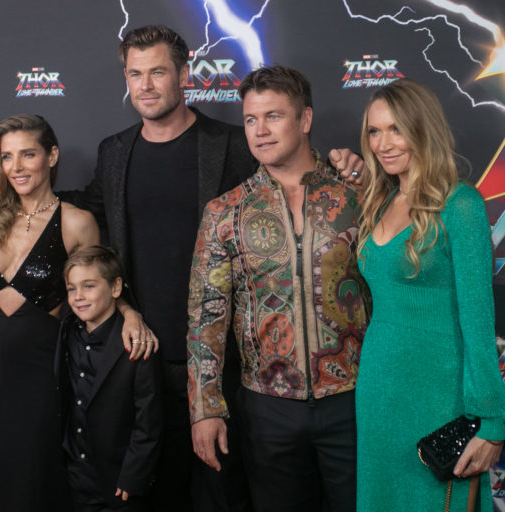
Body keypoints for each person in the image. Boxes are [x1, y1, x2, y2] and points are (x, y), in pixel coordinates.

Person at [60, 25, 364, 512]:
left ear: (184, 75)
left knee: (224, 497)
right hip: (142, 356)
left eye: (157, 72)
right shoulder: (114, 152)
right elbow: (86, 211)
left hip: (239, 372)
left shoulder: (237, 145)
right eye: (135, 74)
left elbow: (293, 174)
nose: (145, 85)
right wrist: (17, 200)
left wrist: (347, 166)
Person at [187, 65, 371, 512]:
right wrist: (205, 407)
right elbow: (206, 316)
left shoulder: (357, 196)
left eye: (273, 116)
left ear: (305, 119)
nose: (260, 131)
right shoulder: (225, 211)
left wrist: (366, 180)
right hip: (267, 409)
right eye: (251, 119)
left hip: (355, 399)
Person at [353, 78, 505, 511]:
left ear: (423, 128)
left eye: (396, 129)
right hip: (378, 389)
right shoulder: (379, 201)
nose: (383, 144)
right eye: (374, 131)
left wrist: (491, 420)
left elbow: (478, 319)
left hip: (439, 393)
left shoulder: (460, 205)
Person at [0, 114, 104, 512]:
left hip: (39, 378)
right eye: (7, 157)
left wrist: (128, 313)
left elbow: (96, 299)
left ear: (51, 156)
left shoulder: (77, 223)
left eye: (28, 154)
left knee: (21, 491)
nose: (16, 167)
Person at [56, 246, 162, 512]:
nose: (78, 296)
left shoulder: (138, 343)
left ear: (115, 288)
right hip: (72, 480)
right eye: (71, 288)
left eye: (89, 286)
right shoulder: (67, 331)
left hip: (117, 485)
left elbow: (148, 422)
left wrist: (133, 476)